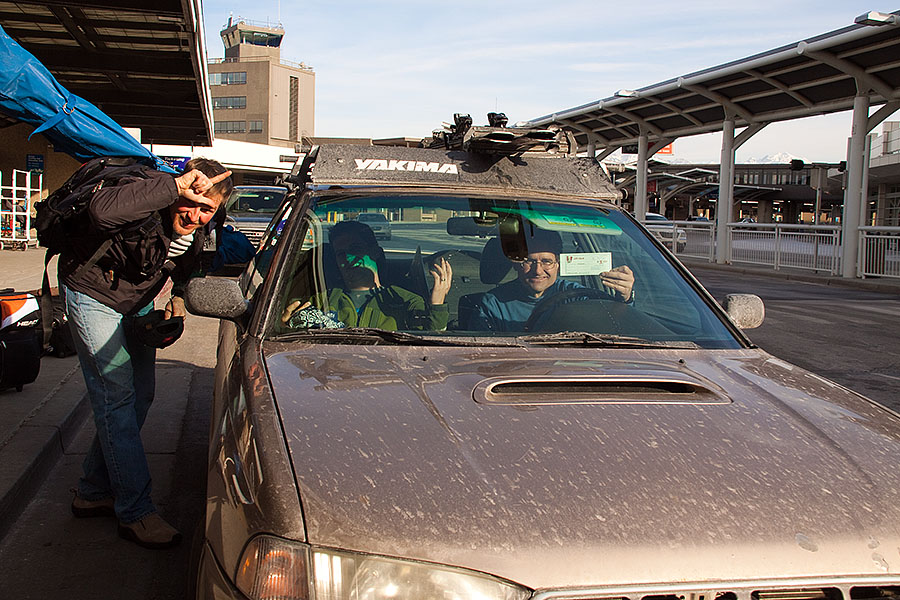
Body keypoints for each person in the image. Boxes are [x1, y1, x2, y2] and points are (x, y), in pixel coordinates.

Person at [61, 158, 232, 549]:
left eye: (207, 209)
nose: (195, 215)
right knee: (117, 396)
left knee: (141, 395)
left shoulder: (200, 229)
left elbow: (187, 268)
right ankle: (135, 512)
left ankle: (92, 490)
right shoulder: (152, 194)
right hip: (91, 293)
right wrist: (174, 187)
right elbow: (101, 212)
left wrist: (176, 300)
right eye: (191, 202)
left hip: (134, 301)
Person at [282, 220, 452, 331]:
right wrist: (283, 325)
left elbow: (431, 346)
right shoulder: (320, 301)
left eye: (355, 249)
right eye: (341, 253)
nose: (348, 259)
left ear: (375, 253)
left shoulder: (405, 300)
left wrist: (437, 304)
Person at [470, 228, 634, 332]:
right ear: (516, 264)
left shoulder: (575, 295)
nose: (538, 270)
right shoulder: (493, 304)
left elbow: (614, 321)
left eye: (546, 261)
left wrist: (625, 297)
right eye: (529, 261)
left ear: (558, 264)